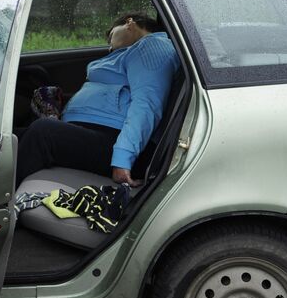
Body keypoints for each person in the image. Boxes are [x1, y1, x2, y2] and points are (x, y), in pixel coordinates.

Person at [15, 13, 178, 187]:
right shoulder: (130, 53)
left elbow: (146, 105)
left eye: (110, 38)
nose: (109, 47)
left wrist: (123, 159)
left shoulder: (153, 45)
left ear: (129, 23)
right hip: (98, 132)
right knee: (14, 136)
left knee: (42, 131)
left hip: (116, 142)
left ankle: (0, 205)